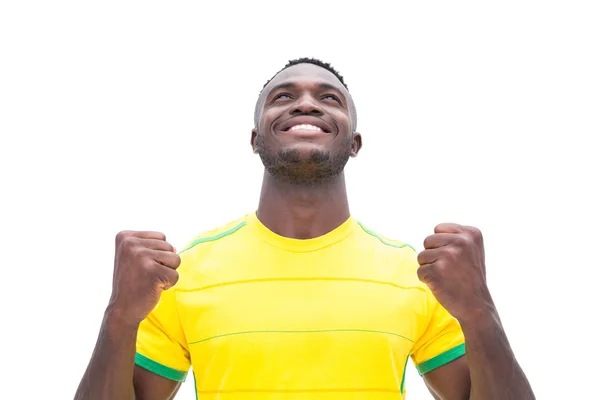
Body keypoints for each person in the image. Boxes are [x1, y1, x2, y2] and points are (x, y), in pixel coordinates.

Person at [74, 58, 535, 400]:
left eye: (329, 98)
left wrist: (480, 313)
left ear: (354, 141)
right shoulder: (182, 274)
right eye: (284, 96)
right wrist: (119, 315)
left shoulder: (415, 274)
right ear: (256, 139)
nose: (306, 104)